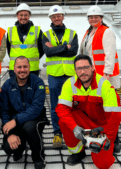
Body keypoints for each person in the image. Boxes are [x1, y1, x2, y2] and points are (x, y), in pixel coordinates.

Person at [56, 54, 121, 169]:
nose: (83, 72)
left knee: (104, 164)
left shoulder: (105, 85)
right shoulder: (69, 84)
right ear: (75, 70)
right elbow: (62, 109)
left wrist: (109, 138)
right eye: (79, 69)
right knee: (63, 121)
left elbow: (114, 116)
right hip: (82, 121)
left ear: (92, 68)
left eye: (86, 67)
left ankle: (99, 147)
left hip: (102, 128)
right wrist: (74, 127)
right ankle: (78, 152)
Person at [80, 5, 121, 152]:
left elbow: (110, 55)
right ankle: (101, 136)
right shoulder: (89, 32)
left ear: (101, 18)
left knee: (110, 110)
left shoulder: (106, 32)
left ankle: (115, 140)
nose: (93, 19)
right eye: (91, 17)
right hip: (94, 78)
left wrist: (106, 75)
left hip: (105, 78)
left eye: (96, 17)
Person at [0, 56, 48, 169]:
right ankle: (20, 147)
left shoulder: (38, 82)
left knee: (29, 127)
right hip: (15, 121)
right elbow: (3, 110)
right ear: (14, 69)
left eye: (25, 66)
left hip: (35, 118)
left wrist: (16, 120)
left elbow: (36, 108)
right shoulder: (7, 85)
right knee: (8, 147)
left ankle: (38, 157)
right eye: (19, 67)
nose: (22, 70)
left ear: (29, 68)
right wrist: (10, 133)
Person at [42, 5, 78, 148]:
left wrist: (55, 49)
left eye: (59, 16)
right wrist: (65, 47)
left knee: (73, 104)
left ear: (63, 17)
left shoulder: (72, 33)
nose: (56, 18)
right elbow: (47, 52)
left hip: (70, 74)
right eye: (54, 16)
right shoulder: (45, 34)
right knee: (55, 106)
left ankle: (72, 129)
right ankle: (57, 133)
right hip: (55, 75)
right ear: (50, 18)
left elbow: (73, 52)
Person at [7, 3, 44, 78]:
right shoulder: (11, 31)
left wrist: (33, 57)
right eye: (21, 15)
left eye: (26, 15)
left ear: (29, 16)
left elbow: (42, 49)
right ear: (17, 16)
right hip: (15, 69)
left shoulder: (37, 30)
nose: (23, 17)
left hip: (32, 69)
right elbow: (9, 49)